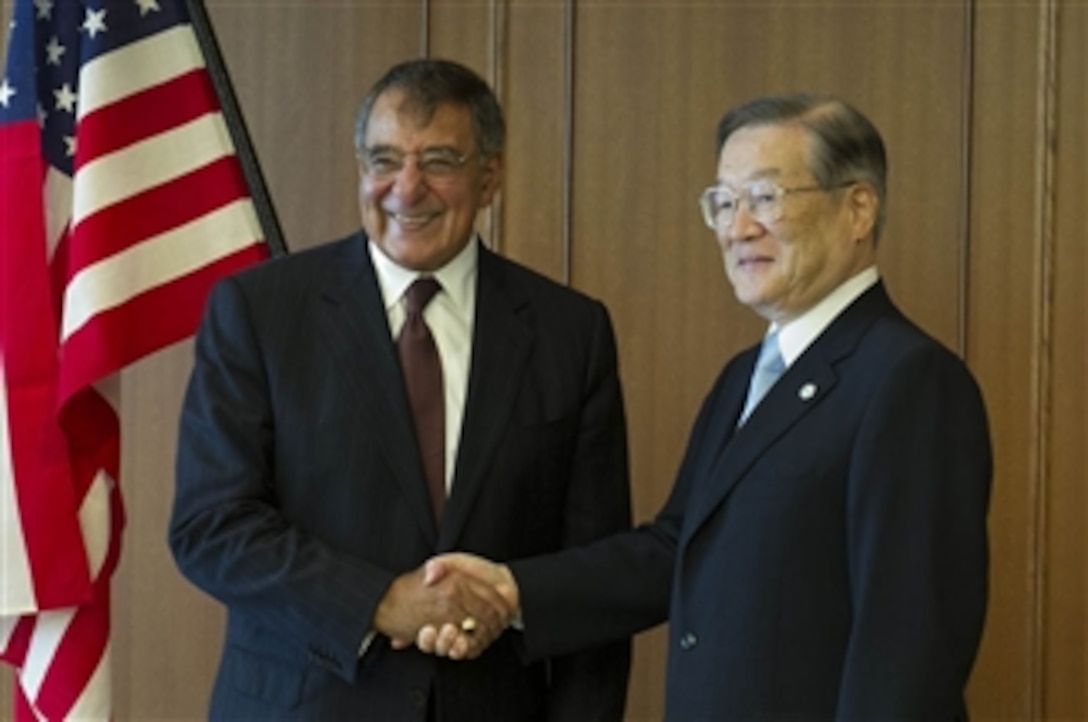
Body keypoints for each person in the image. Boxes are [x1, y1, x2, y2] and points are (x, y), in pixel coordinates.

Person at [422, 93, 993, 720]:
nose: (737, 227)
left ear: (858, 208)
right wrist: (510, 589)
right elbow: (676, 547)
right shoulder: (745, 376)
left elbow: (908, 651)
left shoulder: (909, 381)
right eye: (723, 202)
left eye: (766, 198)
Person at [168, 58, 633, 721]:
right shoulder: (260, 311)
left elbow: (597, 578)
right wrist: (383, 601)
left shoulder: (570, 331)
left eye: (439, 161)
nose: (406, 189)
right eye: (384, 160)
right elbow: (211, 526)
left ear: (490, 176)